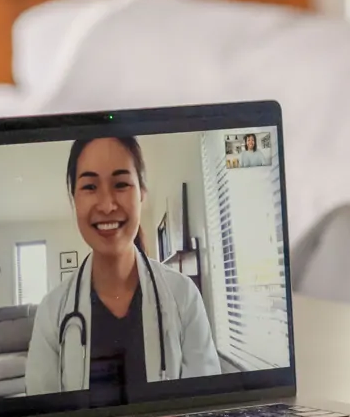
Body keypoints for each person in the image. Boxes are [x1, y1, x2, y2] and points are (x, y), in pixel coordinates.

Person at [26, 134, 221, 396]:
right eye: (90, 187)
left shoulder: (184, 297)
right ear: (74, 200)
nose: (107, 205)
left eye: (121, 184)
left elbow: (205, 406)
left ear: (142, 194)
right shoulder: (52, 312)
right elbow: (43, 414)